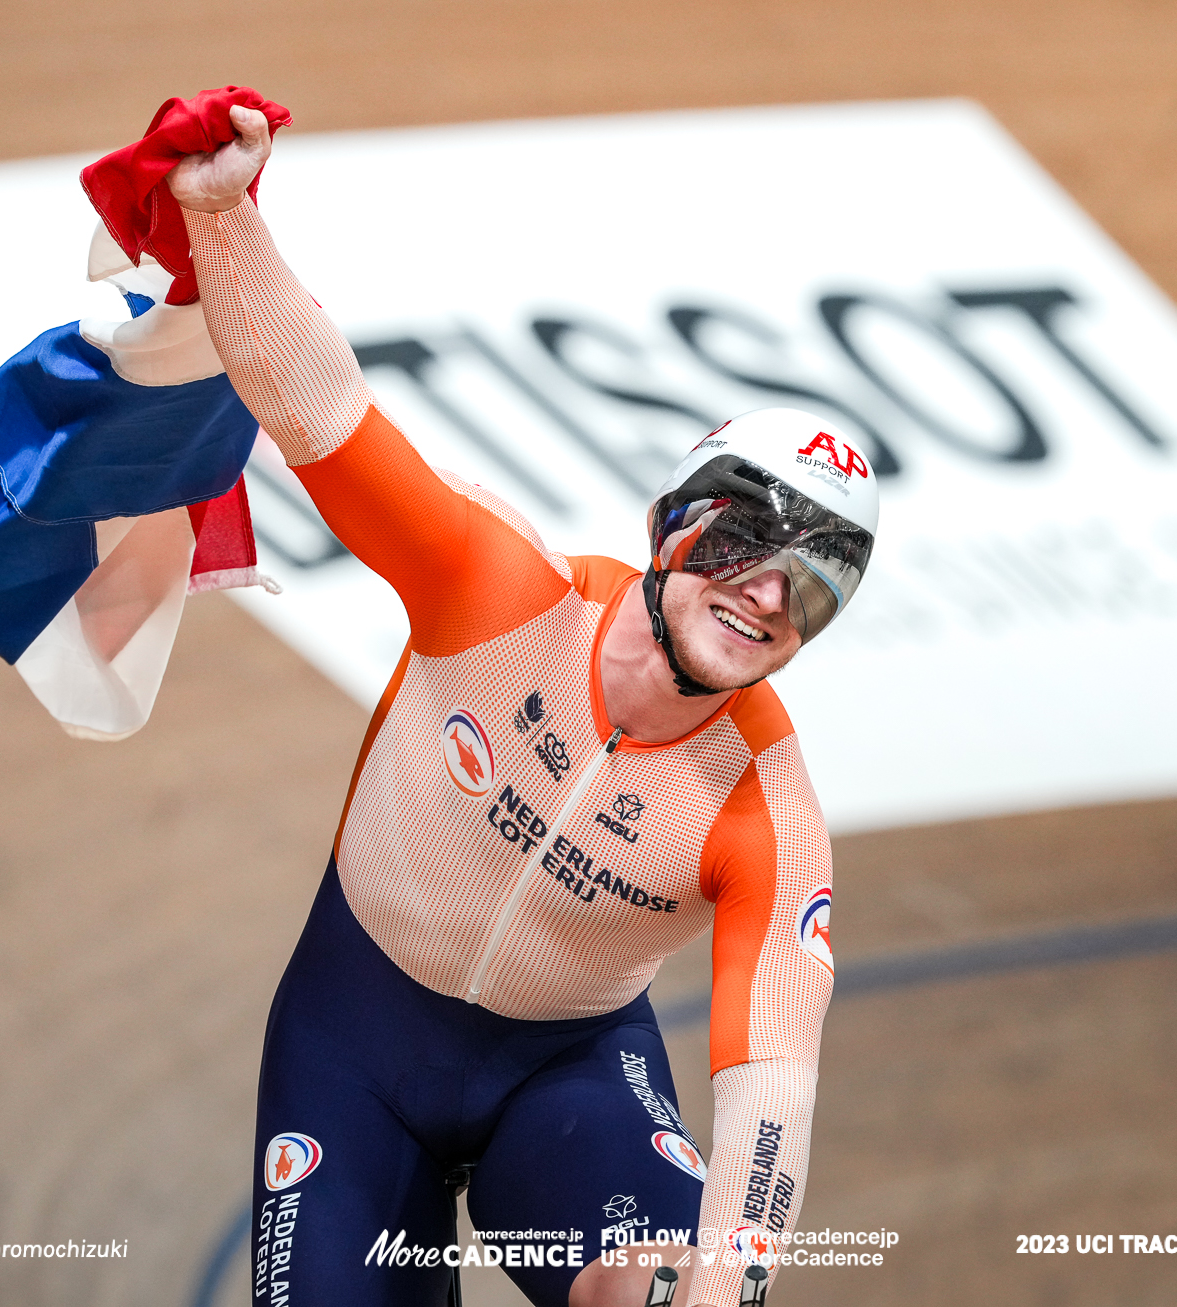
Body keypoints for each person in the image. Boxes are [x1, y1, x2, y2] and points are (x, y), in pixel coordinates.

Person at [168, 104, 878, 1307]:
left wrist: (731, 1287)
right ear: (673, 524)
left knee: (650, 1291)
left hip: (567, 1082)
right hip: (354, 1048)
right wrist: (220, 211)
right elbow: (317, 407)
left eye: (814, 577)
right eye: (748, 536)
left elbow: (772, 1092)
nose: (765, 591)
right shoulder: (500, 591)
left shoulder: (767, 810)